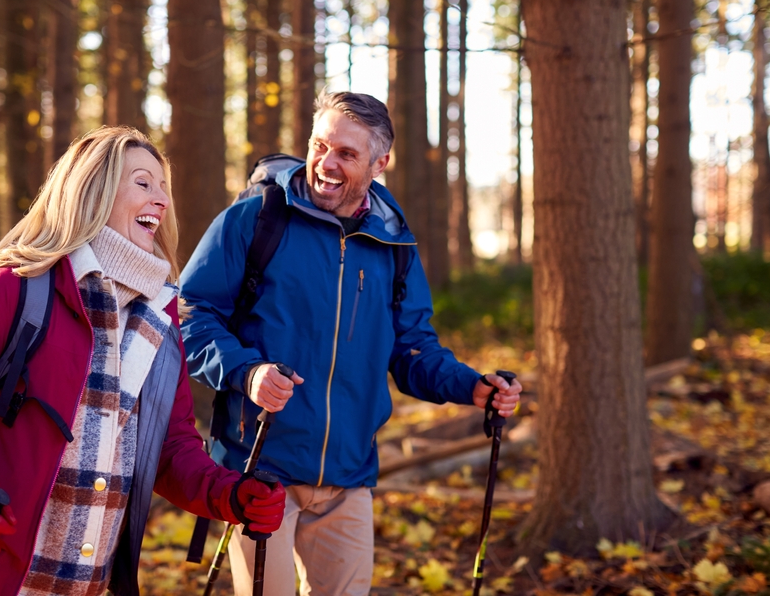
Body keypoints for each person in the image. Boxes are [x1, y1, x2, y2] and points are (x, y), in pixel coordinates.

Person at [0, 126, 286, 596]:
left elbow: (170, 448)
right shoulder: (11, 290)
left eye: (163, 188)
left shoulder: (160, 318)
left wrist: (231, 495)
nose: (160, 200)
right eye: (142, 182)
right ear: (92, 190)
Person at [179, 91, 523, 596]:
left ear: (380, 163)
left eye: (346, 153)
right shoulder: (256, 218)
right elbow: (190, 313)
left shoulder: (392, 242)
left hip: (349, 476)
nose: (326, 163)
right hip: (259, 467)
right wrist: (246, 372)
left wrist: (471, 387)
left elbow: (412, 349)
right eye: (320, 146)